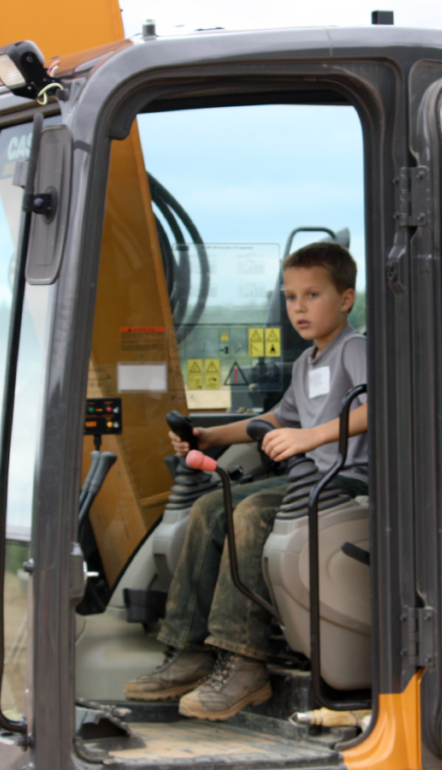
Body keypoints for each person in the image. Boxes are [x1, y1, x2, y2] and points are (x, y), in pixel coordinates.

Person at [124, 241, 369, 721]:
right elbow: (278, 417)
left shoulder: (354, 348)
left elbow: (379, 406)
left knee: (251, 514)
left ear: (346, 299)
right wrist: (209, 436)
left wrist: (312, 436)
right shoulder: (307, 362)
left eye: (312, 295)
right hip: (311, 480)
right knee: (211, 506)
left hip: (348, 481)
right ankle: (191, 649)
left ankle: (244, 662)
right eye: (290, 297)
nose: (299, 308)